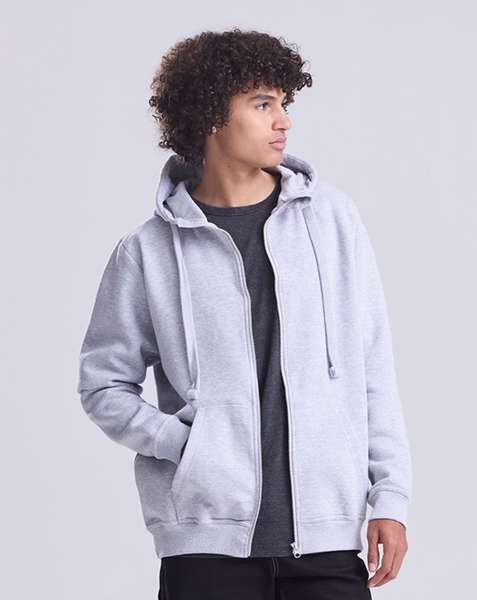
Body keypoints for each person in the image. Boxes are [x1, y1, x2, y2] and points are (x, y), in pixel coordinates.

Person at [77, 27, 412, 599]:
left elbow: (371, 366)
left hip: (329, 540)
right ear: (211, 114)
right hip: (205, 549)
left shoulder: (332, 221)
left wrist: (391, 497)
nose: (284, 120)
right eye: (262, 104)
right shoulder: (147, 251)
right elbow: (102, 384)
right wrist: (184, 442)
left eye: (283, 103)